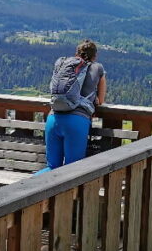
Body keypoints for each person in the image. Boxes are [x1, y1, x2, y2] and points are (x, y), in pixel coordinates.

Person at [42, 39, 106, 171]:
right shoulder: (98, 68)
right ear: (95, 55)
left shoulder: (65, 66)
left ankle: (25, 187)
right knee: (72, 171)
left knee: (52, 168)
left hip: (53, 118)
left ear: (76, 54)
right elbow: (101, 99)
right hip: (77, 121)